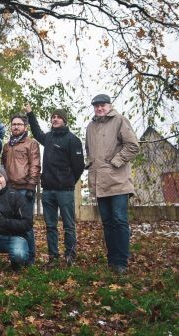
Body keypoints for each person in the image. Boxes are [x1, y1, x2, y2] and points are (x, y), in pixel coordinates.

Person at [25, 104, 84, 267]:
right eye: (53, 117)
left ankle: (70, 256)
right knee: (50, 226)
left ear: (64, 121)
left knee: (68, 225)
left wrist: (69, 181)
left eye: (58, 117)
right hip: (48, 190)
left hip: (65, 191)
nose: (55, 119)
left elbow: (79, 166)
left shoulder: (73, 140)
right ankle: (53, 257)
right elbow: (37, 132)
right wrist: (31, 114)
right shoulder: (49, 137)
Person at [86, 94, 139, 274]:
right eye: (96, 106)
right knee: (107, 222)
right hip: (99, 182)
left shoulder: (120, 120)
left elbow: (133, 145)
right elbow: (89, 151)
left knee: (119, 220)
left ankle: (122, 262)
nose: (100, 108)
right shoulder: (90, 126)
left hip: (118, 182)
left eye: (103, 105)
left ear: (109, 106)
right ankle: (112, 259)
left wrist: (117, 161)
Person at [2, 114, 41, 265]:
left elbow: (35, 165)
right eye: (13, 124)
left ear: (25, 127)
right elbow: (3, 166)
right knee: (12, 223)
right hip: (9, 189)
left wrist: (31, 186)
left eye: (19, 124)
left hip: (24, 189)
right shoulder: (7, 145)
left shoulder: (31, 143)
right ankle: (17, 257)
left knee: (26, 224)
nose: (16, 127)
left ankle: (30, 258)